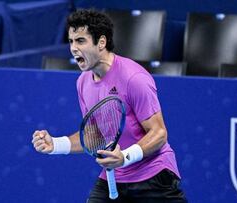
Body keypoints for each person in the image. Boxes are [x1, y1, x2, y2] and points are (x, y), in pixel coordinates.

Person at [32, 9, 187, 203]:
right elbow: (93, 137)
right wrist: (55, 144)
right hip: (115, 177)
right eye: (71, 41)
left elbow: (159, 133)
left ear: (101, 43)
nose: (73, 48)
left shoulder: (134, 78)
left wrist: (124, 157)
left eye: (81, 41)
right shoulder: (82, 82)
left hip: (154, 178)